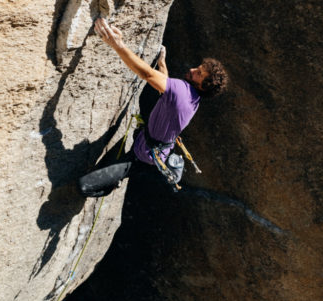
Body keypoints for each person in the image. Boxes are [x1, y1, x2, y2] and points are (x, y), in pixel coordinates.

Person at [78, 17, 228, 197]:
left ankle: (111, 185)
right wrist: (162, 63)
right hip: (149, 146)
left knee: (84, 186)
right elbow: (165, 89)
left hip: (142, 158)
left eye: (199, 73)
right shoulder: (192, 98)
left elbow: (147, 74)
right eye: (198, 67)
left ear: (203, 86)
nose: (193, 69)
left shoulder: (183, 91)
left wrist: (117, 44)